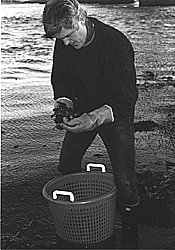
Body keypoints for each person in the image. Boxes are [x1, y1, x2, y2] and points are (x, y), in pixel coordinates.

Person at [42, 0, 140, 248]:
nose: (65, 43)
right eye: (60, 39)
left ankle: (130, 236)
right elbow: (62, 80)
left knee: (126, 181)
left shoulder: (115, 44)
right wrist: (64, 106)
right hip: (83, 109)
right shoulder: (63, 42)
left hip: (114, 114)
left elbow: (126, 100)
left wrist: (94, 118)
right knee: (67, 165)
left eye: (69, 36)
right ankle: (80, 217)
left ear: (80, 20)